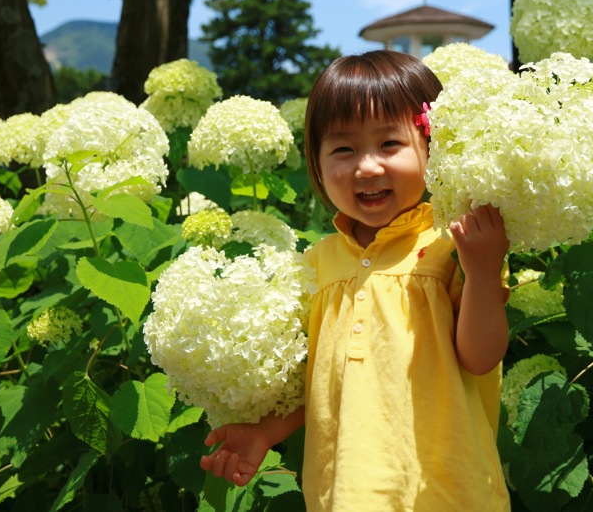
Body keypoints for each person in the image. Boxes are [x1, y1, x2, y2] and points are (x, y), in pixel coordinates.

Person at [199, 49, 512, 510]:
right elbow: (321, 381)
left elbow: (480, 358)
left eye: (390, 145)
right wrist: (265, 431)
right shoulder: (316, 265)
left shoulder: (456, 243)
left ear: (433, 146)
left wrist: (483, 271)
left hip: (448, 491)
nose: (367, 167)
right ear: (317, 163)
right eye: (343, 149)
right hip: (345, 494)